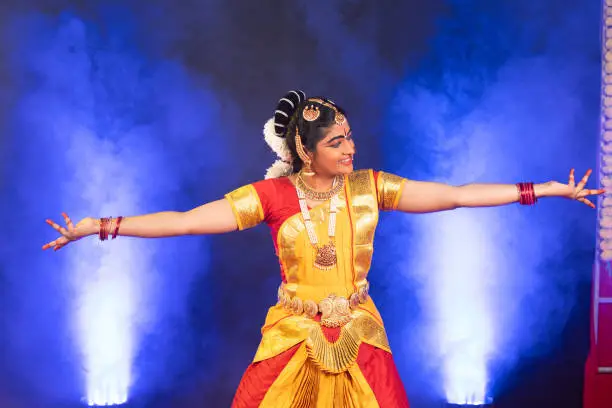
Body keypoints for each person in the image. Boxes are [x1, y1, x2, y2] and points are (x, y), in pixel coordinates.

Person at [43, 90, 603, 407]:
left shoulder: (370, 188)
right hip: (294, 333)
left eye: (350, 137)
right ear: (307, 152)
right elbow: (187, 222)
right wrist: (99, 225)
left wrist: (542, 189)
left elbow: (455, 196)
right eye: (337, 141)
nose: (350, 147)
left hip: (360, 330)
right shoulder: (271, 196)